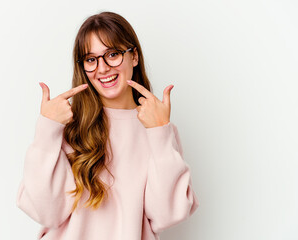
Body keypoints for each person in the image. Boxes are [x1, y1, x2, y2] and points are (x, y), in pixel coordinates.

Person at [16, 11, 199, 240]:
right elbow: (46, 213)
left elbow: (167, 214)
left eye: (112, 54)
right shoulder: (67, 126)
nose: (102, 68)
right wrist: (47, 130)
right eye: (91, 59)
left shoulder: (159, 130)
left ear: (134, 57)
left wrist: (159, 132)